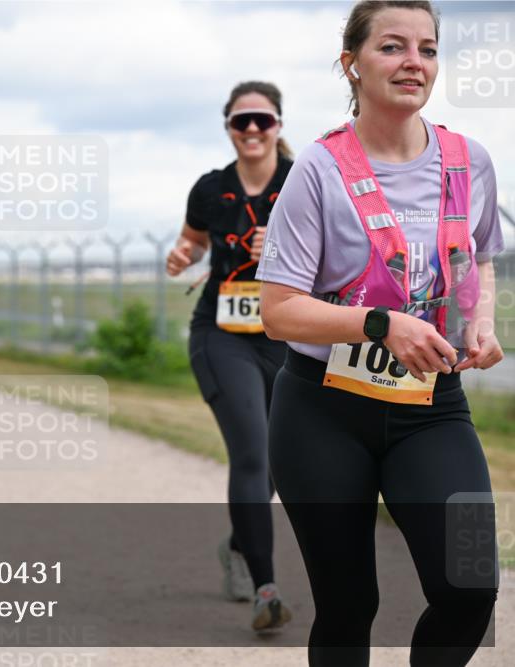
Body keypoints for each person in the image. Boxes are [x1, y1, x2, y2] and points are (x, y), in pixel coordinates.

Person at [257, 2, 503, 664]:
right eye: (393, 47)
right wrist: (377, 322)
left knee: (470, 584)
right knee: (347, 603)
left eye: (427, 48)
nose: (413, 62)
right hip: (323, 408)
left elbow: (479, 253)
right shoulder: (318, 169)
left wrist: (481, 321)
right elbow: (277, 309)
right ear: (352, 64)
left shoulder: (469, 161)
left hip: (432, 407)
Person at [166, 81, 294, 632]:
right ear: (228, 127)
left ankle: (239, 545)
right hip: (222, 333)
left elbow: (341, 255)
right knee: (253, 451)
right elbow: (192, 241)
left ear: (278, 126)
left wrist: (285, 249)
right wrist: (182, 256)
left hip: (287, 333)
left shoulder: (302, 182)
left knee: (280, 460)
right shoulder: (210, 188)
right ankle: (267, 591)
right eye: (241, 121)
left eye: (261, 121)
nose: (251, 131)